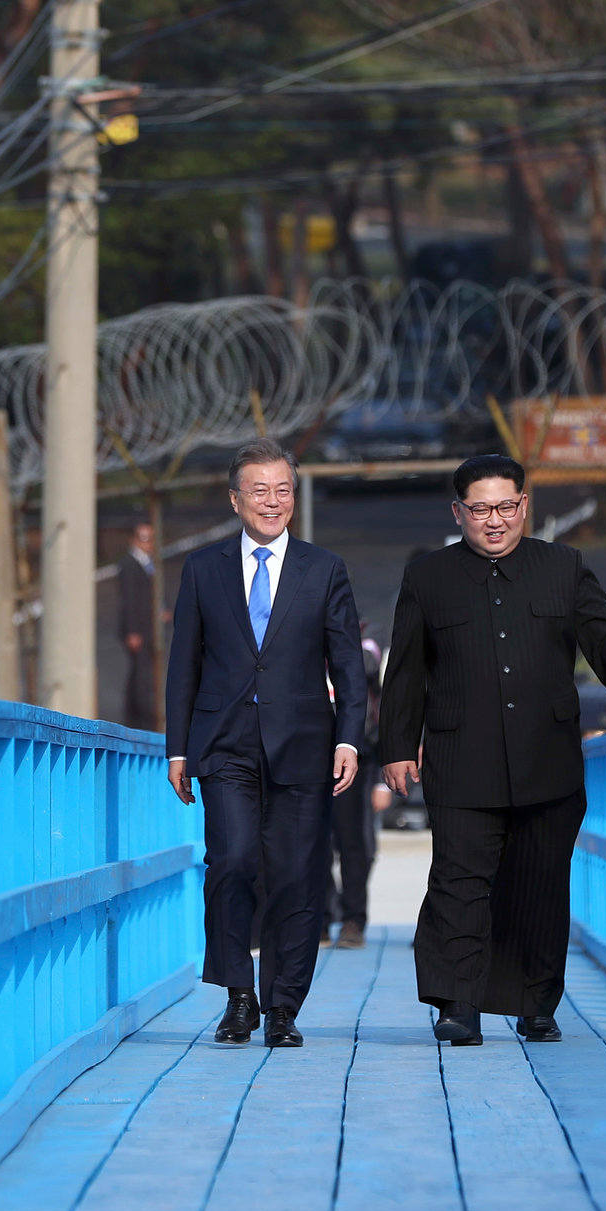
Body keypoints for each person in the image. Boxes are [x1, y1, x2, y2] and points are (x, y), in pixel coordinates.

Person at [380, 454, 606, 1047]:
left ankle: (535, 1002)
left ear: (525, 506)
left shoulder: (565, 568)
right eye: (479, 509)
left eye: (505, 506)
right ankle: (458, 1004)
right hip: (459, 757)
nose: (493, 520)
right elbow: (406, 671)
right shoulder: (428, 578)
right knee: (458, 881)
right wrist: (396, 745)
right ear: (458, 512)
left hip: (546, 759)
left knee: (540, 883)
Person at [164, 439, 369, 1049]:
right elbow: (184, 666)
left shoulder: (323, 568)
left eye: (283, 489)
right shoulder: (203, 569)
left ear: (294, 497)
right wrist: (179, 748)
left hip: (304, 744)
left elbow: (348, 666)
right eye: (259, 490)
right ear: (235, 500)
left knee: (296, 875)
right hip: (224, 744)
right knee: (230, 863)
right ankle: (238, 995)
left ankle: (283, 1006)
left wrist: (350, 740)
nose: (272, 501)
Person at [326, 621, 384, 949]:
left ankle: (353, 919)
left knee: (353, 843)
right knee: (309, 841)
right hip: (305, 747)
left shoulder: (366, 636)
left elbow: (369, 665)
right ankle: (321, 917)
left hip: (353, 751)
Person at [118, 523, 159, 729]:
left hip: (149, 629)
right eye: (143, 538)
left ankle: (145, 714)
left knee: (147, 672)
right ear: (133, 539)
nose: (148, 543)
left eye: (150, 537)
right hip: (139, 631)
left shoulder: (148, 563)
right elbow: (129, 600)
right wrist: (132, 630)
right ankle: (139, 718)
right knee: (140, 674)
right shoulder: (129, 565)